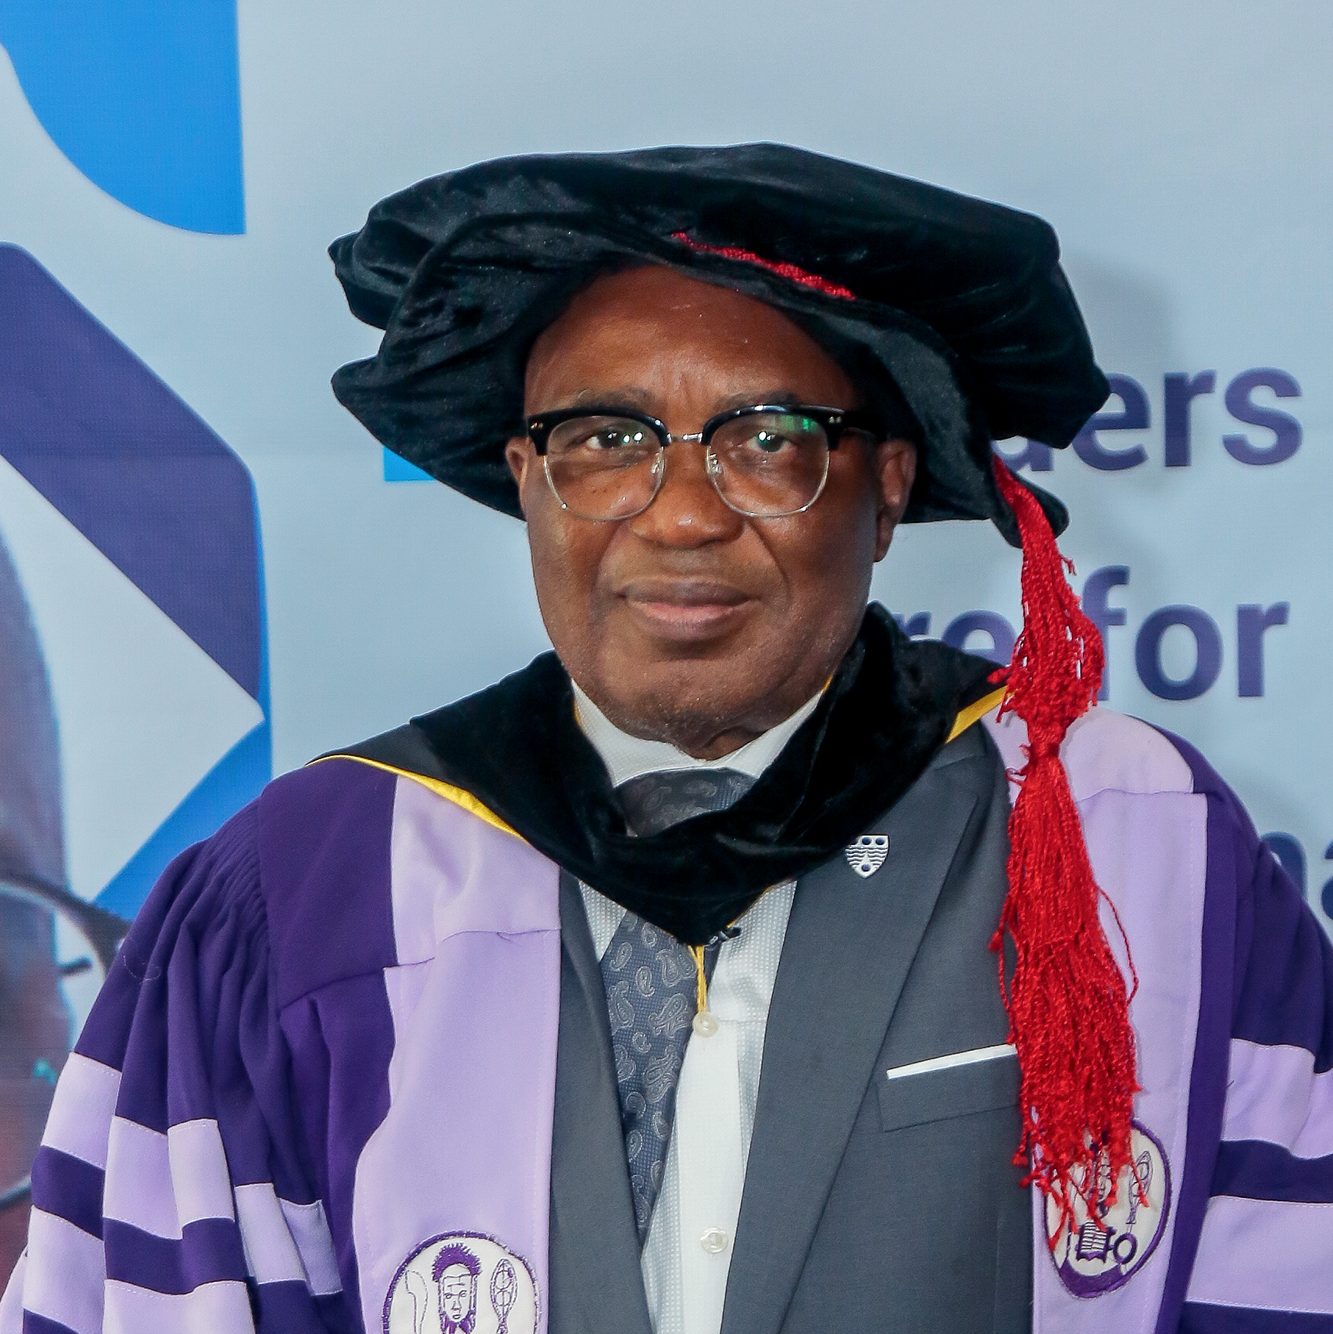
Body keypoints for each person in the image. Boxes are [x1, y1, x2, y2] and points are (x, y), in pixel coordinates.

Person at [2, 143, 1330, 1334]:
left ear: (884, 488)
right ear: (527, 482)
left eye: (768, 440)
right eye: (604, 439)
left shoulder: (1119, 835)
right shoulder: (304, 891)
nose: (683, 513)